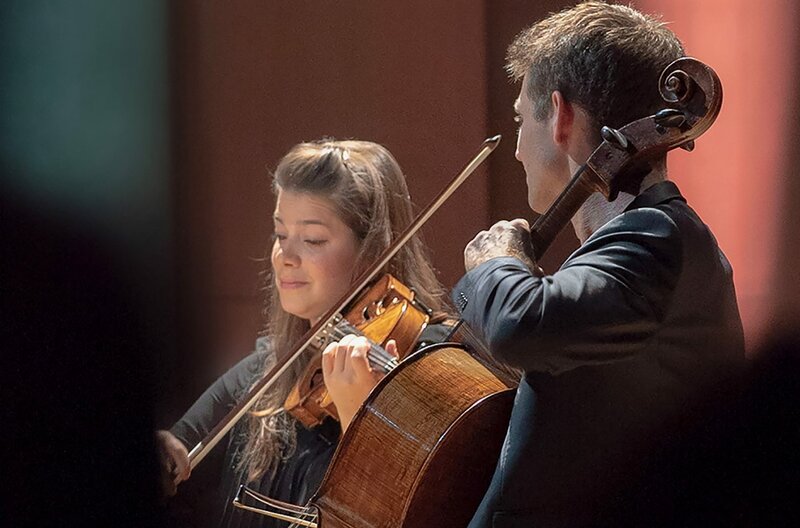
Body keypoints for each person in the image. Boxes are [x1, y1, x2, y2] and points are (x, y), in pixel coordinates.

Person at [451, 2, 746, 526]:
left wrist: (494, 263)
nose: (517, 150)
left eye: (521, 121)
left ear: (561, 116)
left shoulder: (656, 238)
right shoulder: (638, 244)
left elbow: (523, 324)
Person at [157, 139, 450, 527]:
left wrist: (361, 422)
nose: (286, 256)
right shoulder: (267, 370)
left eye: (312, 240)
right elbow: (180, 449)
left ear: (374, 248)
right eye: (281, 235)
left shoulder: (424, 363)